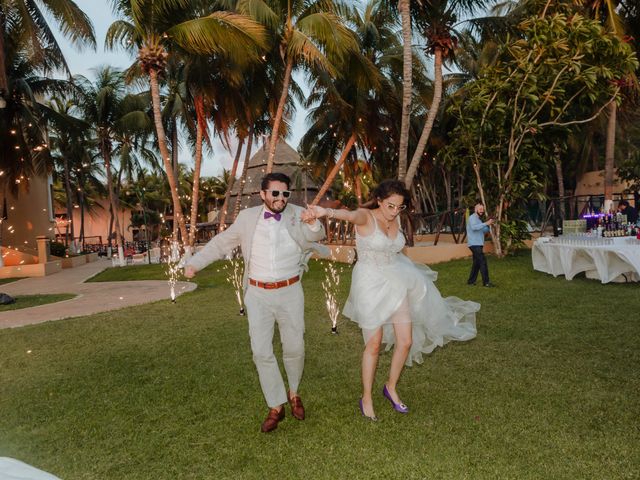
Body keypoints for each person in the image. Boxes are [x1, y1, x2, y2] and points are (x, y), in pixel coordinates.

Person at [307, 180, 479, 421]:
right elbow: (349, 215)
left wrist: (398, 222)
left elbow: (396, 248)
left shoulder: (396, 218)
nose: (395, 211)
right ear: (379, 200)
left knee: (406, 341)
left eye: (400, 207)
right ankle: (366, 397)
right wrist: (325, 211)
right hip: (369, 282)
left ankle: (390, 387)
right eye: (390, 206)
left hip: (397, 279)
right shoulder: (366, 217)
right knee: (374, 344)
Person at [184, 172, 327, 433]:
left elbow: (316, 235)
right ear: (262, 194)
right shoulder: (247, 218)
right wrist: (194, 263)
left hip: (290, 291)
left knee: (295, 347)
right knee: (261, 351)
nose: (281, 198)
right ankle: (276, 405)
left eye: (285, 193)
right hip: (258, 294)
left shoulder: (297, 212)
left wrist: (313, 224)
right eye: (275, 193)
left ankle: (294, 392)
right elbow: (221, 243)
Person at [466, 203, 494, 287]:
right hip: (474, 244)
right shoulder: (472, 218)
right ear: (476, 210)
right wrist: (486, 223)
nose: (482, 211)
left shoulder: (479, 220)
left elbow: (484, 230)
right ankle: (486, 282)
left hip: (479, 243)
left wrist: (489, 224)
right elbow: (474, 227)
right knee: (482, 262)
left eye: (482, 209)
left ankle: (471, 281)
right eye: (480, 209)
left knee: (477, 263)